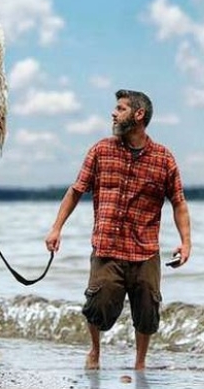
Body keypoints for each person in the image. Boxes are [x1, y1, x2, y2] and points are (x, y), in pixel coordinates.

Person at [45, 89, 191, 371]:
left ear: (139, 115)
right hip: (107, 247)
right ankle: (95, 352)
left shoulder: (164, 158)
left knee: (148, 310)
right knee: (97, 304)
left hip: (145, 251)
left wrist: (186, 243)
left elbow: (179, 203)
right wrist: (56, 229)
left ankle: (139, 364)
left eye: (121, 108)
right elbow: (75, 191)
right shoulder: (100, 150)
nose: (113, 113)